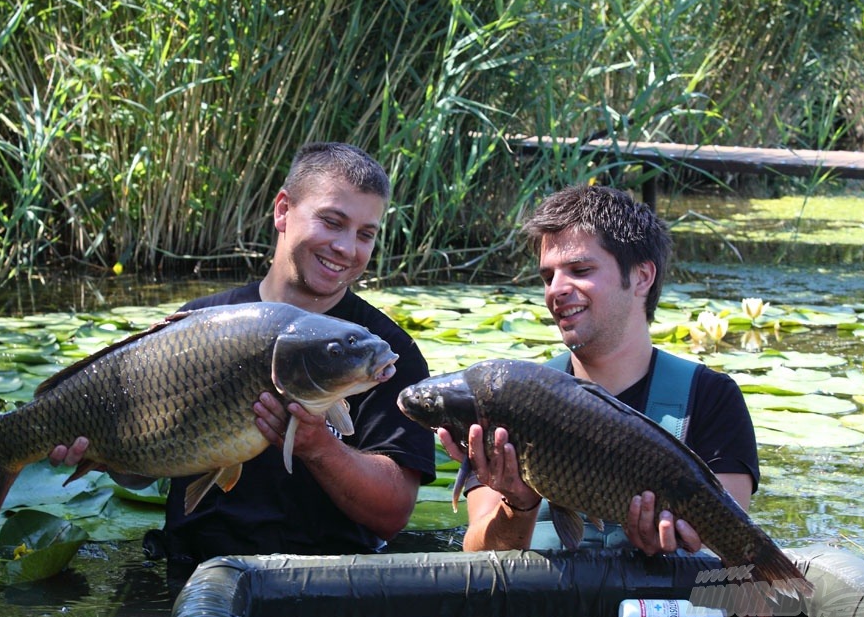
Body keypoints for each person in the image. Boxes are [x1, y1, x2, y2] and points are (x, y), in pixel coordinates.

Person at [51, 142, 436, 570]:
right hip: (194, 570)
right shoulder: (195, 326)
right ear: (283, 211)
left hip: (331, 577)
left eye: (366, 234)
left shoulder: (381, 351)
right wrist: (102, 452)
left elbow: (392, 514)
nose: (347, 247)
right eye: (332, 222)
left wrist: (318, 446)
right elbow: (141, 470)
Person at [438, 184, 758, 555]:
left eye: (579, 269)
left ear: (642, 277)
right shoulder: (509, 400)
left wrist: (677, 549)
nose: (556, 290)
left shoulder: (710, 398)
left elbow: (732, 548)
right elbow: (476, 555)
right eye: (547, 277)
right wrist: (518, 506)